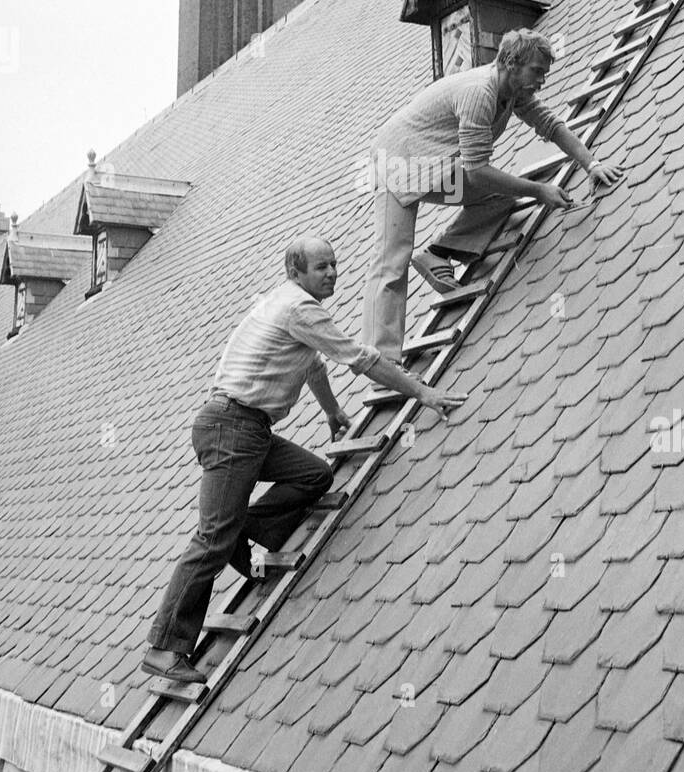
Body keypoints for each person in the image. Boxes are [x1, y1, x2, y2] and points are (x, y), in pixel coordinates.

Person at [143, 235, 465, 684]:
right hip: (232, 428)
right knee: (212, 539)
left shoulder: (289, 304)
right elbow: (361, 358)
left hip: (246, 429)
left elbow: (312, 365)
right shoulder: (300, 308)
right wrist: (423, 392)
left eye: (333, 264)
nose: (332, 272)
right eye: (320, 267)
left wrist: (332, 411)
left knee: (312, 476)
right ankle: (164, 648)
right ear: (296, 273)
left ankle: (247, 527)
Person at [361, 28, 624, 362]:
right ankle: (380, 362)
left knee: (500, 197)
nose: (542, 80)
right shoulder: (479, 92)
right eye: (537, 71)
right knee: (392, 261)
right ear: (511, 63)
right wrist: (539, 190)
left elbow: (549, 124)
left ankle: (439, 251)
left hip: (431, 163)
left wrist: (591, 163)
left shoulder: (511, 91)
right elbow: (478, 172)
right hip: (395, 161)